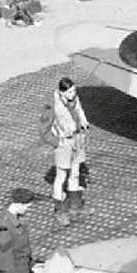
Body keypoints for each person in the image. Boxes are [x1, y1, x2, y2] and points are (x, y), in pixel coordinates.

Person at [51, 77, 89, 226]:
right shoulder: (53, 106)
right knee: (61, 176)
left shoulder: (74, 99)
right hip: (64, 143)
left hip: (77, 139)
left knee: (75, 172)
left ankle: (75, 207)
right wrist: (57, 141)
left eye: (74, 91)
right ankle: (60, 211)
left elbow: (79, 110)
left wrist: (83, 121)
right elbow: (44, 129)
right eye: (70, 92)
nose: (73, 94)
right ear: (61, 92)